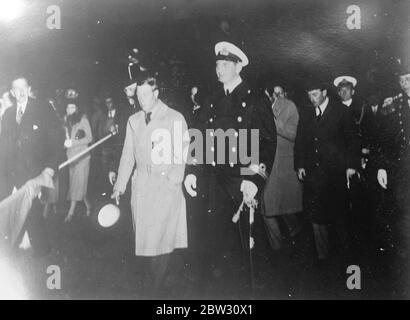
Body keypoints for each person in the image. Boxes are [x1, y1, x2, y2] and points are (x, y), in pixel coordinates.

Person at [183, 42, 276, 290]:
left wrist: (254, 180)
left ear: (238, 66)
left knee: (246, 251)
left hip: (241, 182)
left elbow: (266, 143)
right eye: (217, 64)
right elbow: (199, 137)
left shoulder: (254, 99)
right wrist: (192, 171)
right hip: (214, 182)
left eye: (225, 64)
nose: (219, 69)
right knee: (217, 247)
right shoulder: (212, 100)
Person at [111, 68, 188, 296]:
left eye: (146, 94)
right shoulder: (133, 120)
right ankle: (155, 287)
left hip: (164, 189)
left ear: (156, 91)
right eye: (138, 95)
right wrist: (120, 186)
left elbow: (182, 155)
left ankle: (152, 292)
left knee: (160, 244)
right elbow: (127, 156)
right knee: (146, 244)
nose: (141, 100)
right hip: (142, 188)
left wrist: (173, 182)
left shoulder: (174, 117)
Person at [294, 79, 360, 262]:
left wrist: (351, 166)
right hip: (313, 175)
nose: (311, 98)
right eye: (308, 95)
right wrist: (299, 164)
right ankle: (323, 258)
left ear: (325, 92)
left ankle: (346, 257)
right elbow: (301, 140)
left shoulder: (341, 112)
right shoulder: (306, 113)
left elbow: (353, 141)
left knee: (339, 216)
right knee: (316, 217)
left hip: (335, 175)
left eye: (314, 94)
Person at [0, 76, 65, 255]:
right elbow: (4, 145)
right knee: (10, 210)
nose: (20, 92)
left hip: (34, 174)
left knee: (33, 212)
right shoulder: (8, 114)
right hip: (9, 173)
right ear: (12, 93)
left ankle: (44, 253)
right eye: (16, 89)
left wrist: (50, 168)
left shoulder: (42, 108)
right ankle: (9, 252)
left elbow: (56, 139)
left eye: (24, 88)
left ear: (29, 89)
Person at [376, 63, 410, 296]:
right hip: (401, 171)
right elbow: (382, 140)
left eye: (409, 78)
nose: (406, 84)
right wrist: (380, 167)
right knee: (403, 216)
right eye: (402, 80)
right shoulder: (392, 106)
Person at [262, 91, 302, 251]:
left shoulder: (289, 106)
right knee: (267, 209)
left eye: (279, 92)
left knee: (284, 208)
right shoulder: (258, 106)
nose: (277, 95)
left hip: (284, 167)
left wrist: (272, 123)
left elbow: (294, 134)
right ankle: (277, 250)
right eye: (274, 92)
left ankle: (296, 233)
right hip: (266, 166)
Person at [63, 97, 93, 222]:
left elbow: (89, 138)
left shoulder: (83, 120)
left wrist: (73, 142)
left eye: (73, 107)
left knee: (77, 184)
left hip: (82, 156)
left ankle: (71, 213)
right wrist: (65, 144)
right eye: (68, 107)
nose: (70, 109)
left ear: (77, 109)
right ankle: (89, 206)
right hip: (71, 157)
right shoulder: (66, 122)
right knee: (78, 184)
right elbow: (65, 140)